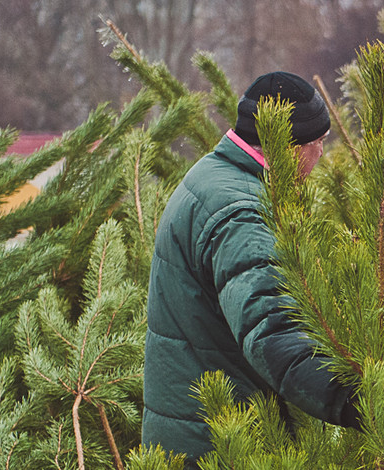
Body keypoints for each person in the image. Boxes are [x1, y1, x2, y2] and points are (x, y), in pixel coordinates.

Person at [142, 71, 359, 465]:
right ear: (289, 146)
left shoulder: (215, 176)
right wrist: (364, 400)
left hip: (197, 435)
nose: (322, 155)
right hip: (219, 446)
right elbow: (272, 332)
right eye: (319, 143)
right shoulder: (240, 214)